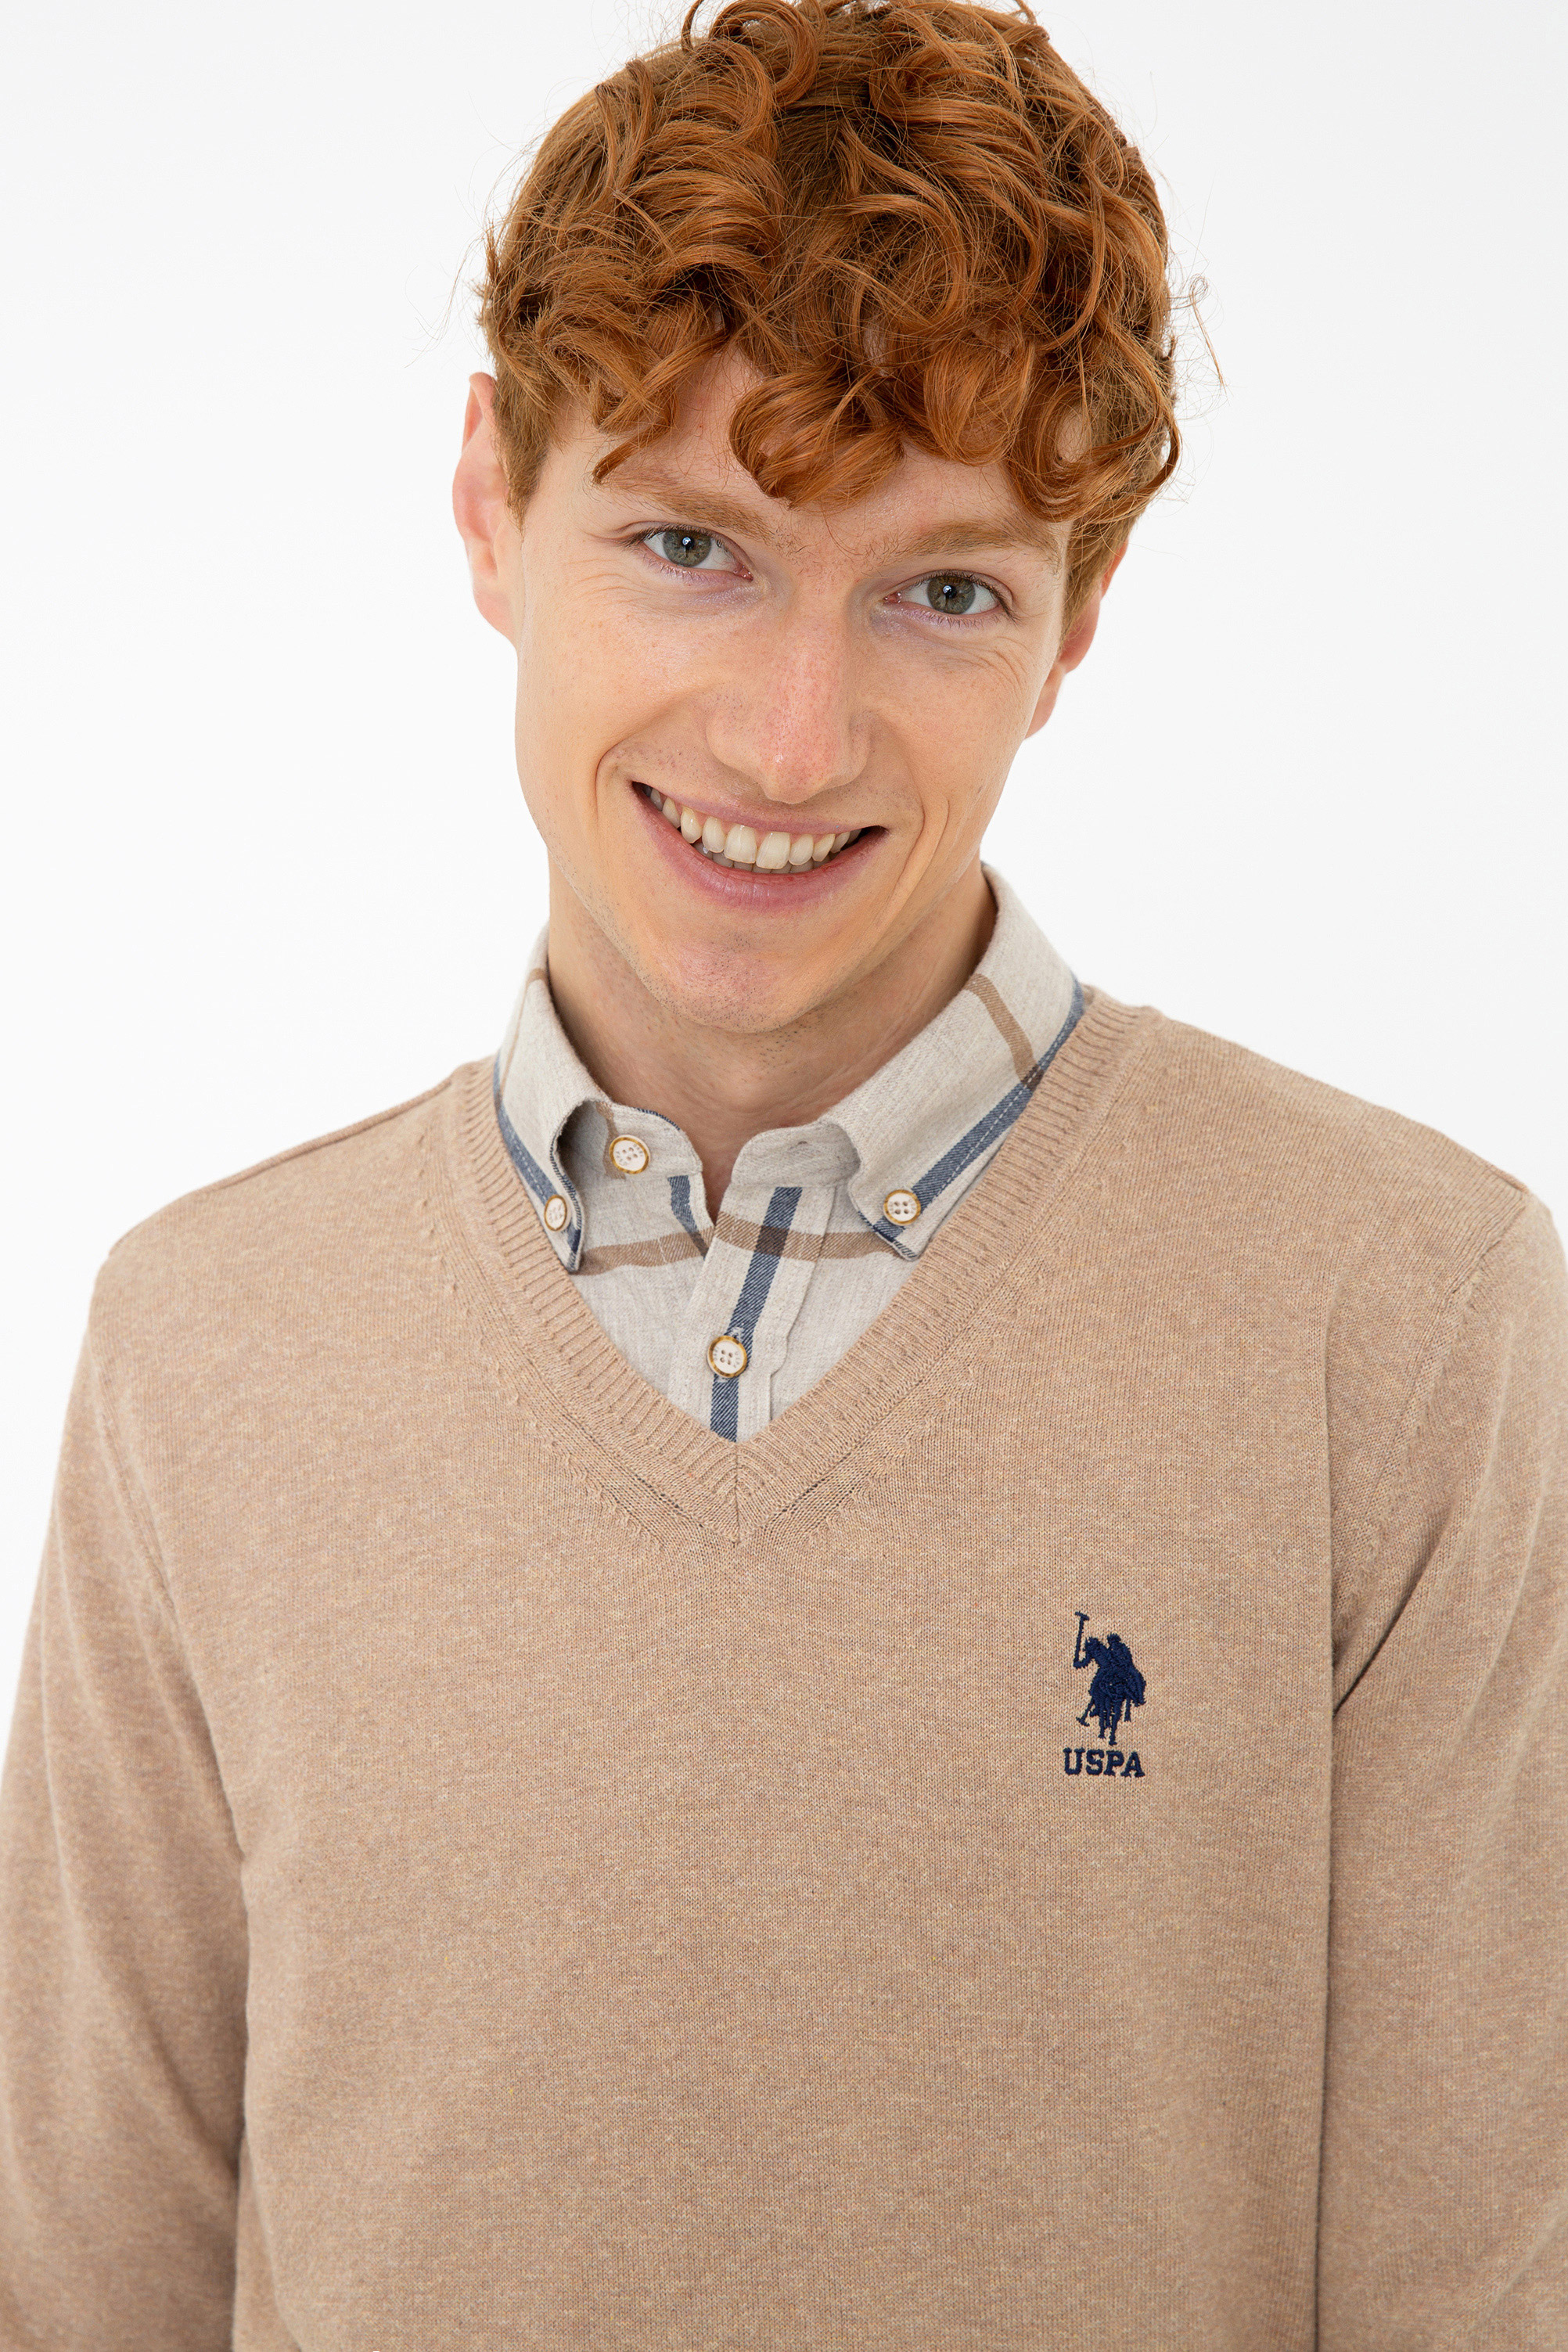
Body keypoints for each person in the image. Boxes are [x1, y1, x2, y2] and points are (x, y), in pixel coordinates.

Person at [1, 0, 1563, 2342]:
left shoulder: (1401, 1317)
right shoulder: (205, 1349)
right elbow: (83, 2285)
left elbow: (1479, 2291)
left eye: (944, 590)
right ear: (486, 506)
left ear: (1079, 620)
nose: (791, 739)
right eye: (688, 547)